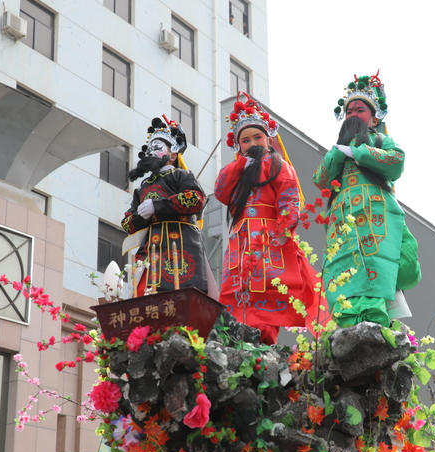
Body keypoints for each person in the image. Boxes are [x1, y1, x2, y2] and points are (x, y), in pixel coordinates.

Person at [313, 72, 421, 328]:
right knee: (344, 263)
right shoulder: (336, 149)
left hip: (375, 214)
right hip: (342, 215)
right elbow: (320, 179)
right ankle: (345, 317)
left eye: (359, 110)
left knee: (374, 259)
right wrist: (340, 153)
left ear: (373, 117)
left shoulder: (381, 141)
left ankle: (373, 316)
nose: (353, 115)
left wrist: (358, 151)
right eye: (349, 111)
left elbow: (396, 161)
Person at [215, 93, 323, 344]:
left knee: (268, 289)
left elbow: (289, 203)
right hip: (240, 240)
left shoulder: (279, 165)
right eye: (245, 140)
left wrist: (281, 234)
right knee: (238, 291)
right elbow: (220, 191)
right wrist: (241, 164)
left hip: (268, 238)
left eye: (257, 137)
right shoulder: (237, 169)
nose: (252, 143)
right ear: (237, 145)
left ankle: (263, 342)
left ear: (268, 138)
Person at [121, 117, 212, 297]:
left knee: (181, 293)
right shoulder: (142, 188)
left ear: (172, 155)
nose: (152, 152)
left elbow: (196, 198)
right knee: (145, 293)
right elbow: (127, 223)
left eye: (158, 148)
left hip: (181, 242)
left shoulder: (181, 175)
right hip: (150, 248)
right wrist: (141, 216)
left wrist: (158, 206)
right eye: (150, 149)